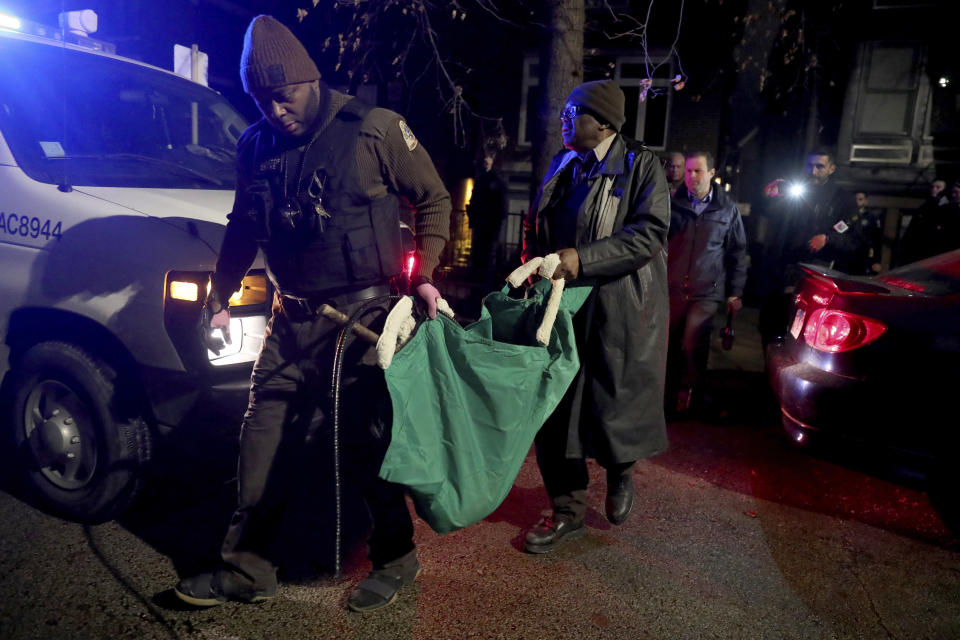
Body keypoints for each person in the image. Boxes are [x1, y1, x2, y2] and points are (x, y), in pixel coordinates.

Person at [172, 15, 451, 613]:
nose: (277, 110)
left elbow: (432, 198)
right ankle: (248, 570)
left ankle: (397, 560)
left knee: (364, 447)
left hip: (362, 324)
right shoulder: (255, 146)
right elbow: (244, 225)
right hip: (290, 320)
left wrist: (423, 275)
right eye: (262, 100)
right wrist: (222, 297)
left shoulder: (372, 130)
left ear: (311, 80)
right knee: (260, 442)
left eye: (286, 94)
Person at [521, 80, 670, 553]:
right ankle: (566, 511)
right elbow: (538, 224)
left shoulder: (641, 165)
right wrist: (532, 266)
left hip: (618, 304)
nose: (564, 118)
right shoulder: (563, 164)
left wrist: (582, 260)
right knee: (555, 408)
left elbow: (649, 233)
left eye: (574, 111)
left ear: (602, 122)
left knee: (612, 400)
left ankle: (621, 469)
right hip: (559, 304)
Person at [666, 151, 748, 416]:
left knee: (692, 342)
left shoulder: (727, 209)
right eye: (689, 171)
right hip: (673, 289)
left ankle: (694, 395)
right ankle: (668, 399)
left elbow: (737, 252)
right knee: (669, 347)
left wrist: (735, 293)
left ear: (712, 174)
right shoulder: (671, 205)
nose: (691, 177)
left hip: (707, 291)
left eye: (698, 171)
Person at [758, 149, 855, 345]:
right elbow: (772, 215)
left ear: (831, 168)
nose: (813, 171)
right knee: (774, 319)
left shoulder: (841, 198)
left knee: (808, 323)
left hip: (820, 267)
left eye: (820, 166)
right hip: (787, 264)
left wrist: (828, 238)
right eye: (810, 166)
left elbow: (850, 233)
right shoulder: (797, 190)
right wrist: (769, 197)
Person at [466, 154, 508, 289]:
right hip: (483, 223)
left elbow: (500, 204)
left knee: (487, 253)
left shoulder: (495, 180)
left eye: (488, 158)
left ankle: (485, 283)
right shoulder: (484, 179)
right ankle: (480, 283)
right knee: (480, 252)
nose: (485, 161)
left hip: (489, 223)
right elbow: (474, 200)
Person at [900, 178, 956, 265]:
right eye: (932, 187)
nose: (934, 189)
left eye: (938, 187)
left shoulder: (948, 209)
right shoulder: (924, 208)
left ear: (945, 190)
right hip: (918, 253)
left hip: (937, 254)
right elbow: (911, 231)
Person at [851, 191, 884, 275]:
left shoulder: (871, 217)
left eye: (860, 199)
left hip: (864, 254)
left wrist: (876, 260)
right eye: (855, 199)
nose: (857, 201)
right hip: (848, 253)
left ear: (866, 201)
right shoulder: (847, 215)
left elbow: (877, 239)